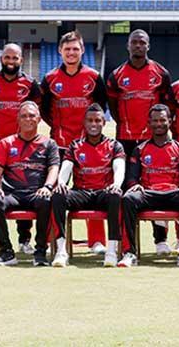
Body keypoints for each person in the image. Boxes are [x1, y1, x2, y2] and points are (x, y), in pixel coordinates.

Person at [40, 30, 108, 254]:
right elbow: (45, 111)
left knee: (94, 187)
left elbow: (99, 109)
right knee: (55, 191)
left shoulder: (93, 76)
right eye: (67, 49)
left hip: (88, 146)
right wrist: (59, 129)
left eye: (75, 49)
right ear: (60, 50)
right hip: (59, 145)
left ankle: (96, 241)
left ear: (82, 51)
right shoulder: (50, 78)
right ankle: (54, 237)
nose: (71, 53)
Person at [106, 29, 173, 255]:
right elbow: (113, 108)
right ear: (128, 45)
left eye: (142, 42)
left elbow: (165, 107)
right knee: (126, 191)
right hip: (125, 139)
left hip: (153, 141)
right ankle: (128, 242)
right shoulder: (117, 75)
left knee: (158, 184)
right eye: (134, 42)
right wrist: (125, 124)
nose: (138, 46)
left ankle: (160, 239)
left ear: (148, 46)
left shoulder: (160, 73)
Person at [0, 43, 42, 256]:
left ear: (21, 60)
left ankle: (24, 239)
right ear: (1, 58)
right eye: (7, 57)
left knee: (24, 191)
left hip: (22, 150)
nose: (10, 62)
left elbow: (35, 115)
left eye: (15, 58)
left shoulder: (30, 84)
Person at [120, 104, 179, 268]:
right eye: (155, 120)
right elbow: (132, 177)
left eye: (162, 120)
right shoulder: (140, 149)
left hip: (173, 194)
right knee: (128, 199)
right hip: (149, 193)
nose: (159, 124)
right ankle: (129, 253)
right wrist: (134, 185)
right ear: (149, 123)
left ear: (170, 121)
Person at [0, 101, 59, 266]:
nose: (28, 119)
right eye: (24, 116)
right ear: (17, 120)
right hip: (13, 195)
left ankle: (40, 251)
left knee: (46, 200)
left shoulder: (49, 144)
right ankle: (6, 252)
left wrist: (47, 187)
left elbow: (54, 168)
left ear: (39, 119)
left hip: (36, 194)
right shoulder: (6, 143)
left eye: (32, 115)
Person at [50, 104, 125, 268]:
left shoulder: (114, 145)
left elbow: (119, 167)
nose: (93, 124)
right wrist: (61, 183)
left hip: (103, 193)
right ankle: (61, 251)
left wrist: (116, 184)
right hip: (81, 193)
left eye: (97, 120)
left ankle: (111, 252)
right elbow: (67, 167)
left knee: (116, 196)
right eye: (90, 120)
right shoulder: (75, 146)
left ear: (103, 122)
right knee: (58, 196)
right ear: (84, 122)